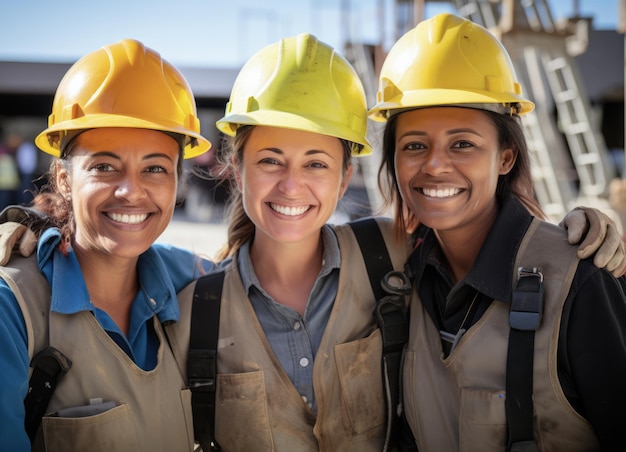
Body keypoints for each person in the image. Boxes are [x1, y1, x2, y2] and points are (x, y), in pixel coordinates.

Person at [165, 32, 624, 452]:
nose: (291, 186)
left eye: (316, 164)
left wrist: (582, 231)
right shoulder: (192, 314)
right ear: (236, 169)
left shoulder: (388, 259)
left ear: (346, 177)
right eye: (270, 161)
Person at [369, 13, 626, 450]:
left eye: (463, 144)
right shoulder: (397, 273)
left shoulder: (579, 280)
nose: (434, 165)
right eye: (414, 145)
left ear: (505, 158)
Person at [0, 39, 215, 451]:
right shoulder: (13, 310)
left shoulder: (190, 279)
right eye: (104, 166)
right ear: (64, 179)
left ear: (176, 182)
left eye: (154, 168)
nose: (131, 191)